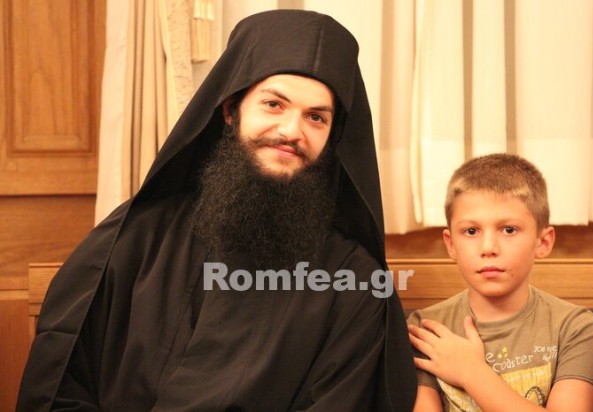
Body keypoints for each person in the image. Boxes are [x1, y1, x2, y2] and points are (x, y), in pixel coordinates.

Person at [17, 10, 416, 411]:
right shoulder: (138, 237)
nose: (292, 131)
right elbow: (62, 384)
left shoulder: (355, 281)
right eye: (273, 104)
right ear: (230, 110)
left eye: (316, 117)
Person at [408, 153, 593, 411]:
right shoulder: (426, 329)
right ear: (451, 245)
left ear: (543, 242)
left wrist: (471, 372)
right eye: (471, 231)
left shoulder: (575, 328)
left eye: (509, 230)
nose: (488, 248)